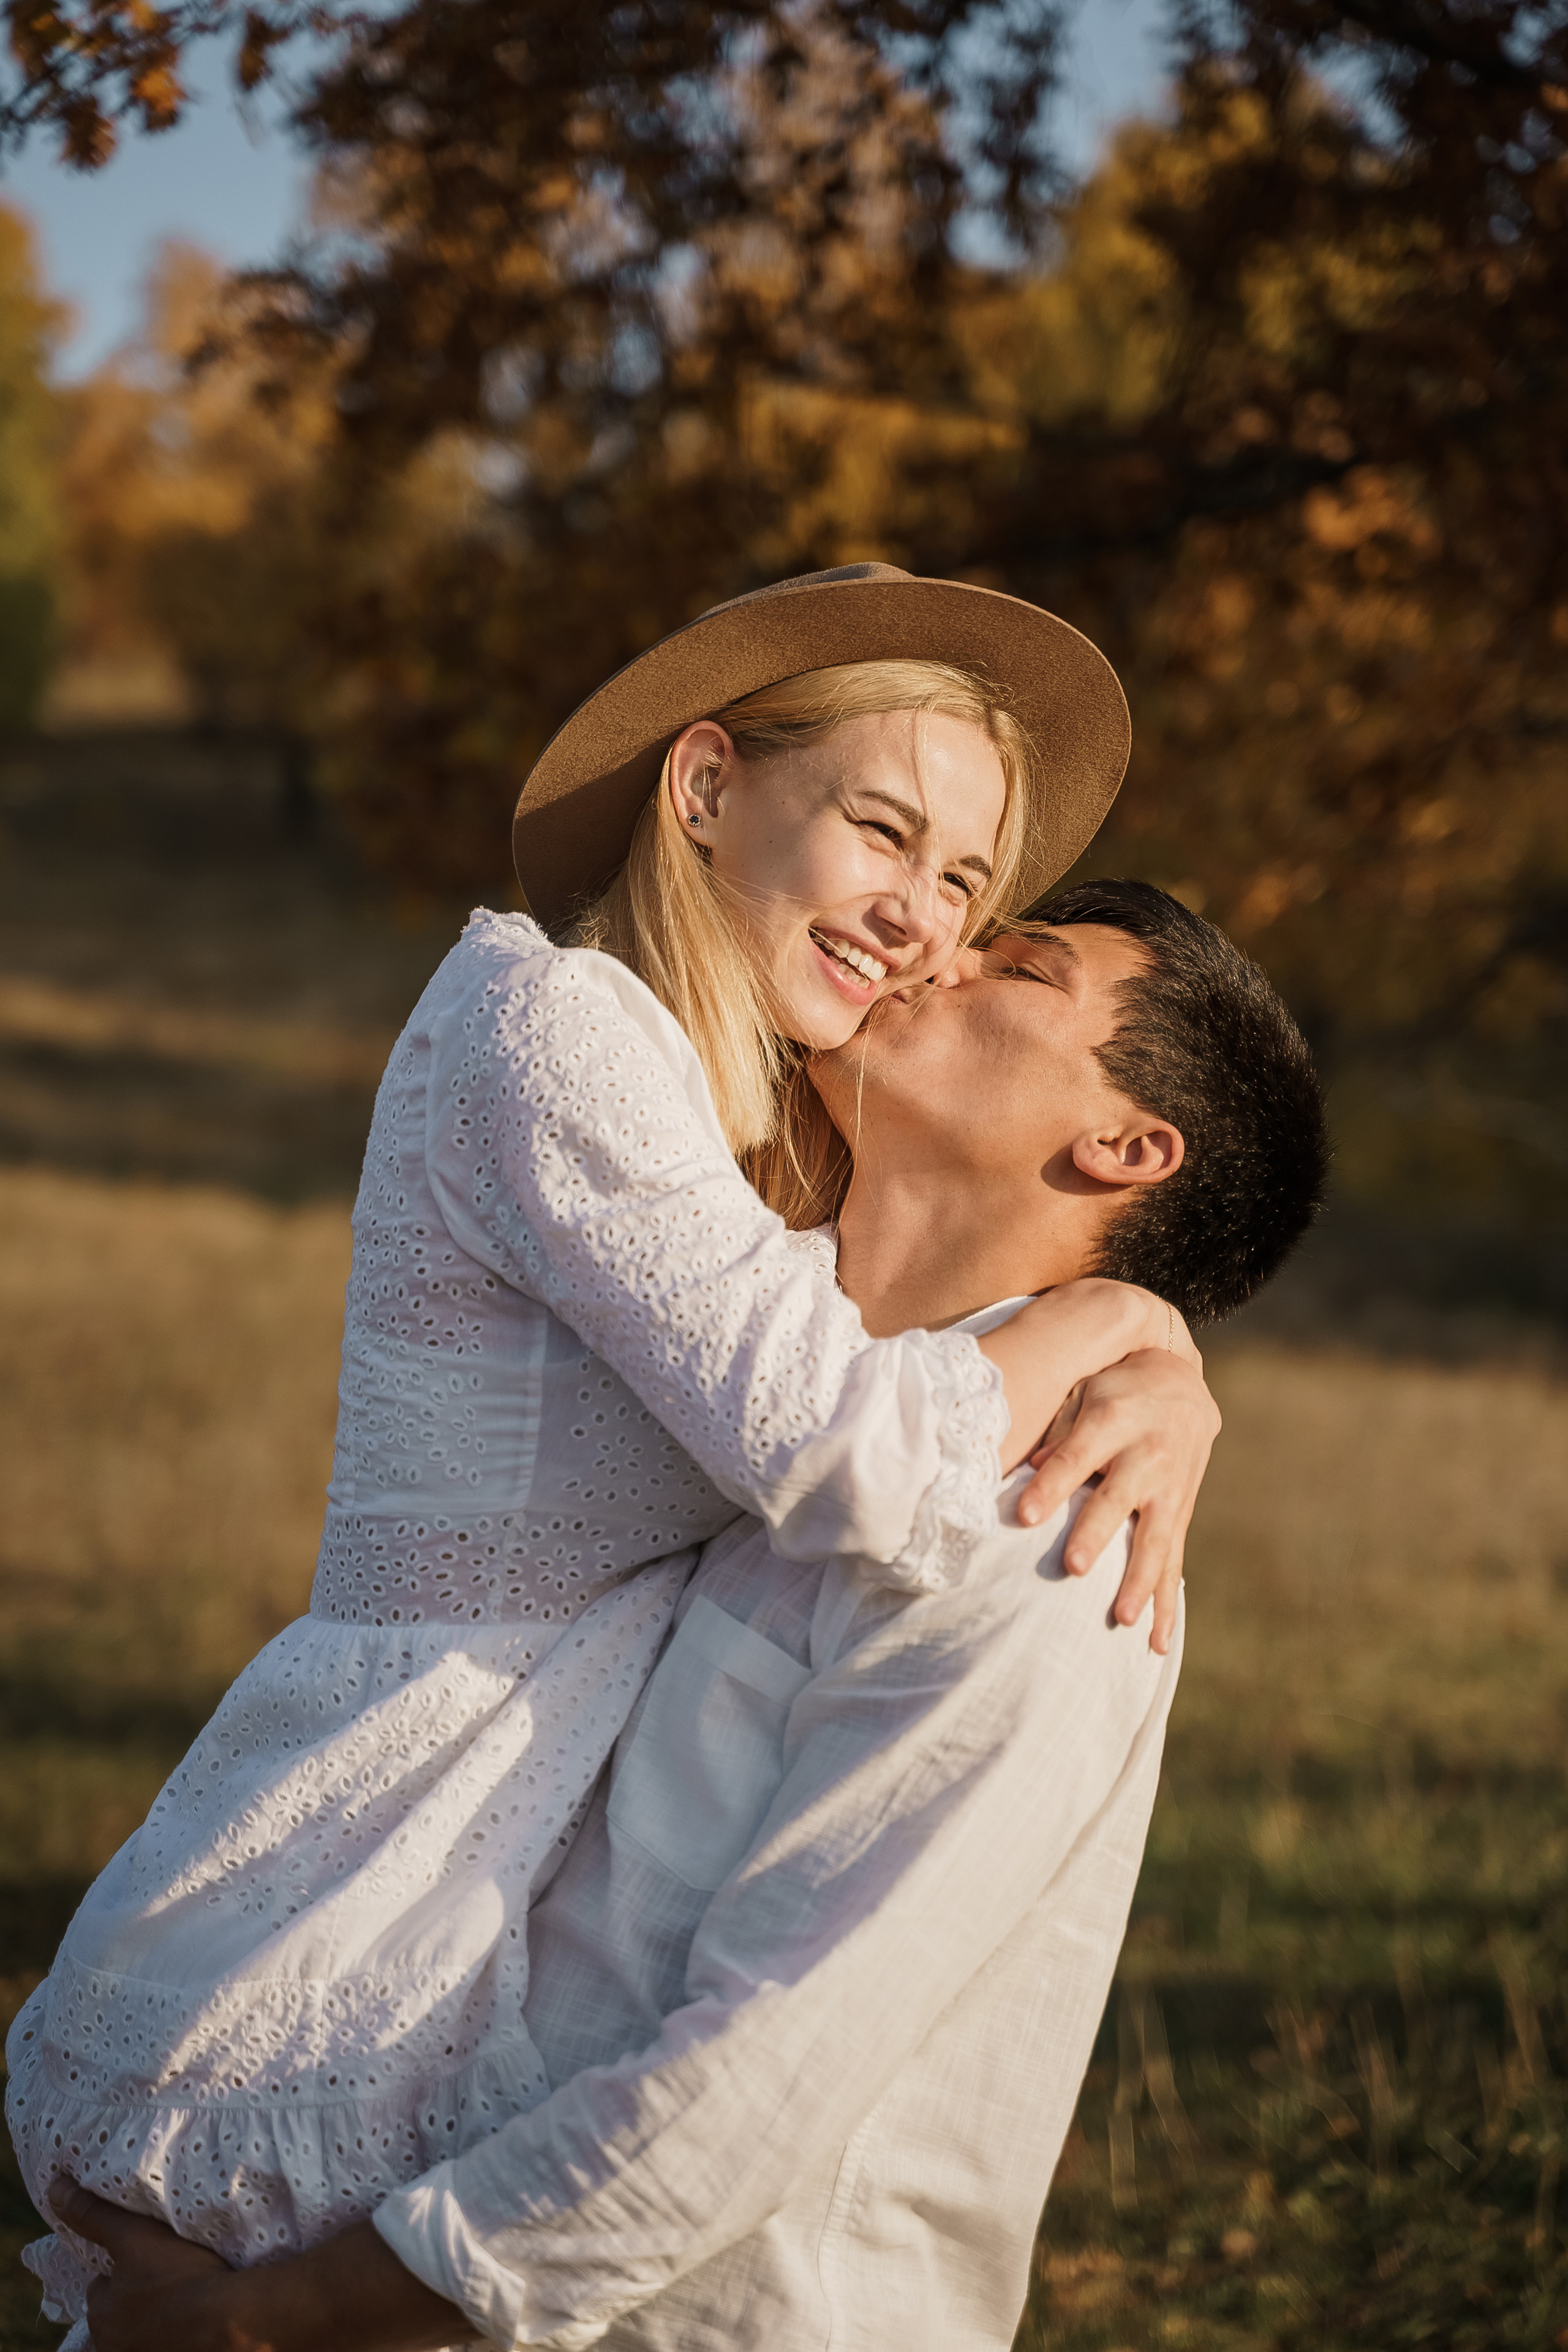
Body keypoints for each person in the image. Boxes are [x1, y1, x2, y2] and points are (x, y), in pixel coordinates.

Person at [8, 571, 1221, 2334]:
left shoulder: (745, 1134)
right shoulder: (557, 1028)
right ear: (708, 787)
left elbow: (915, 1323)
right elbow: (851, 1449)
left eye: (967, 881)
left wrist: (1158, 1332)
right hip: (370, 1871)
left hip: (492, 1865)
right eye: (884, 832)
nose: (930, 926)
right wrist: (1118, 1328)